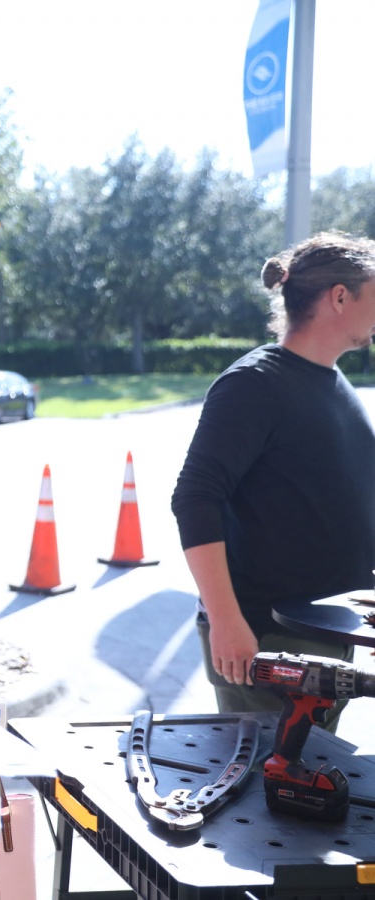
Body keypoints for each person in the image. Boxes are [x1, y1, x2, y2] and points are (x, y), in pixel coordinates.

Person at [171, 232, 375, 726]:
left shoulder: (331, 381)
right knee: (268, 775)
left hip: (324, 633)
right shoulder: (255, 383)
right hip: (267, 640)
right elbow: (195, 499)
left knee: (312, 773)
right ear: (340, 297)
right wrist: (226, 621)